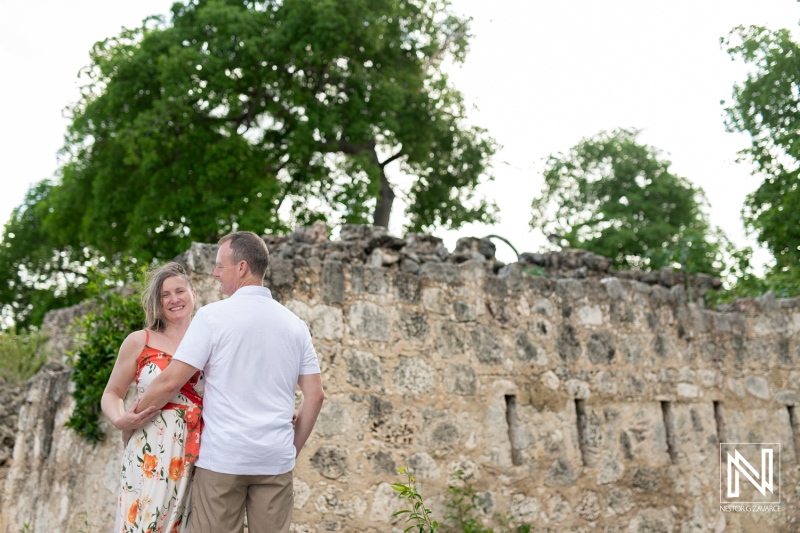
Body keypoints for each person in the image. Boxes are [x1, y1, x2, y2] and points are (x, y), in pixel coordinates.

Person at [136, 231, 325, 533]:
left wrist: (131, 420)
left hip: (223, 460)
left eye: (220, 266)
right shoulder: (296, 326)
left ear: (242, 268)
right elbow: (315, 396)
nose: (215, 273)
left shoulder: (212, 317)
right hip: (275, 459)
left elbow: (170, 381)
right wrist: (290, 449)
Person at [101, 262, 204, 533]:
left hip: (199, 448)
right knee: (145, 521)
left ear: (193, 292)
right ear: (156, 303)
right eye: (164, 295)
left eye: (179, 291)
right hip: (149, 447)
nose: (174, 300)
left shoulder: (210, 342)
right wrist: (120, 421)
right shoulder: (140, 340)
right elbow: (112, 394)